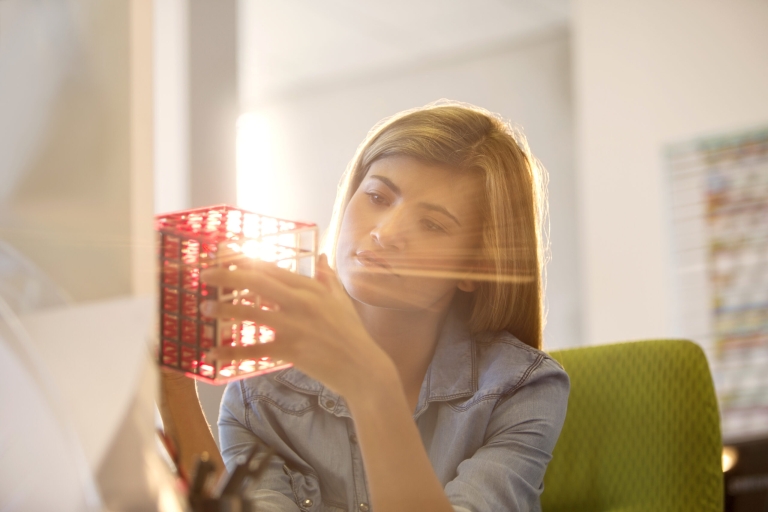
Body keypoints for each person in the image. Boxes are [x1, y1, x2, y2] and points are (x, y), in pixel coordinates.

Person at [160, 101, 570, 512]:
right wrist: (172, 381)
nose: (385, 233)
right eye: (376, 196)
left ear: (475, 266)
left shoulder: (521, 390)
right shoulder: (262, 391)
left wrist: (370, 385)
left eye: (432, 224)